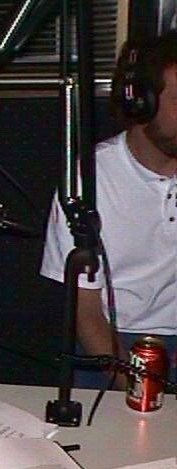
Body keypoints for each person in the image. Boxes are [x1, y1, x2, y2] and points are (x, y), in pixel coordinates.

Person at [40, 30, 177, 389]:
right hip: (112, 342)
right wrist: (134, 384)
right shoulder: (89, 181)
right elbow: (85, 311)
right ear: (141, 104)